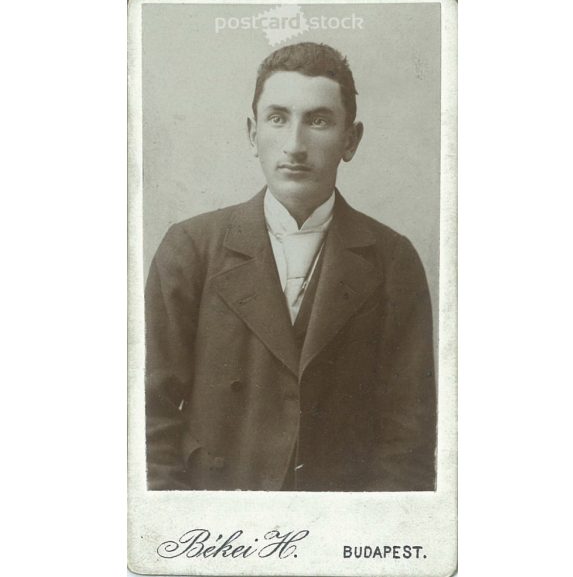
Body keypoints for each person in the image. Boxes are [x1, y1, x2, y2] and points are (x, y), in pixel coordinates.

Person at [145, 42, 436, 492]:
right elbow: (146, 416)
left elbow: (408, 442)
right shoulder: (191, 248)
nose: (295, 145)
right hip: (216, 522)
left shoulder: (392, 260)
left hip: (339, 526)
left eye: (318, 121)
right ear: (251, 133)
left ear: (350, 140)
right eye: (277, 118)